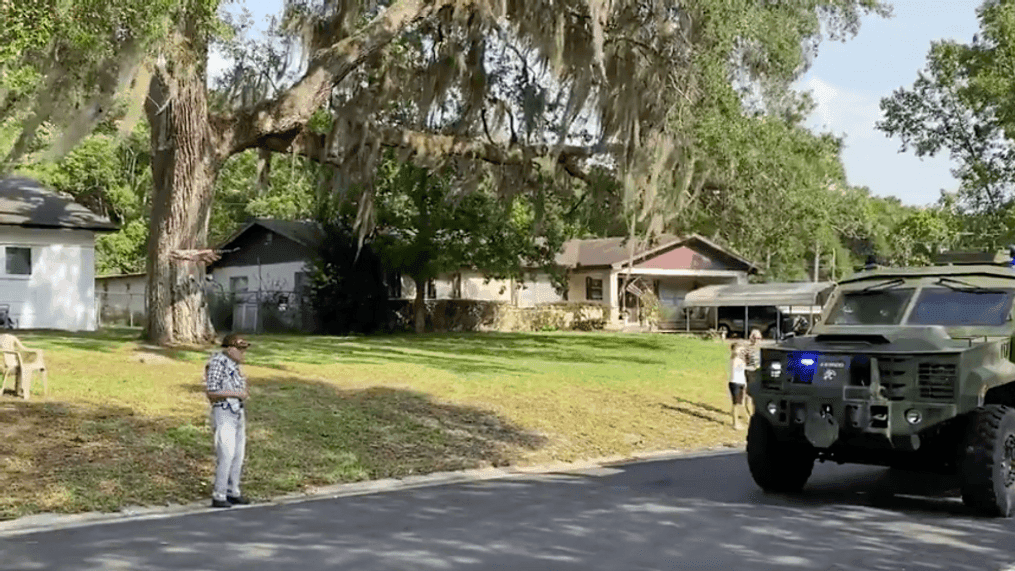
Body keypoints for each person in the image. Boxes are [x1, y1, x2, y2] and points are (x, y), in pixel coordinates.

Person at [205, 333, 252, 508]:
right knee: (226, 453)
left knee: (238, 454)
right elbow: (212, 391)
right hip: (224, 410)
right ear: (230, 348)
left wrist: (243, 390)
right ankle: (219, 494)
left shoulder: (236, 366)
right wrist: (236, 393)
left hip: (238, 410)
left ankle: (233, 490)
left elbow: (242, 387)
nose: (243, 353)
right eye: (240, 349)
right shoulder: (218, 362)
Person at [728, 342, 749, 429]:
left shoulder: (740, 359)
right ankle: (735, 423)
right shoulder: (735, 359)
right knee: (735, 404)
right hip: (735, 383)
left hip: (741, 382)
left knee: (742, 403)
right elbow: (740, 367)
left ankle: (746, 419)